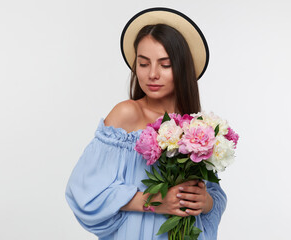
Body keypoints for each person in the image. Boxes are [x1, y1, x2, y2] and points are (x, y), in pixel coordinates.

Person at [65, 7, 227, 240]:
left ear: (182, 68)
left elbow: (213, 192)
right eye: (143, 63)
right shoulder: (127, 114)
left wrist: (207, 202)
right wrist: (155, 202)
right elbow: (85, 190)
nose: (152, 74)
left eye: (165, 64)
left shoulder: (197, 128)